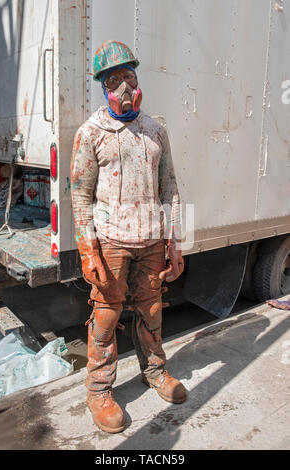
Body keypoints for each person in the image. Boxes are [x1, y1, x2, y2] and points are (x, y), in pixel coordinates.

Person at [70, 40, 186, 434]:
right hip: (112, 242)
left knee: (152, 310)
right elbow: (80, 194)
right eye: (115, 79)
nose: (124, 87)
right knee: (106, 315)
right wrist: (89, 251)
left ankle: (154, 371)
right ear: (103, 87)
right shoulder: (92, 133)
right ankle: (99, 390)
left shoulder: (156, 131)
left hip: (151, 240)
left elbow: (169, 185)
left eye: (130, 78)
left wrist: (175, 241)